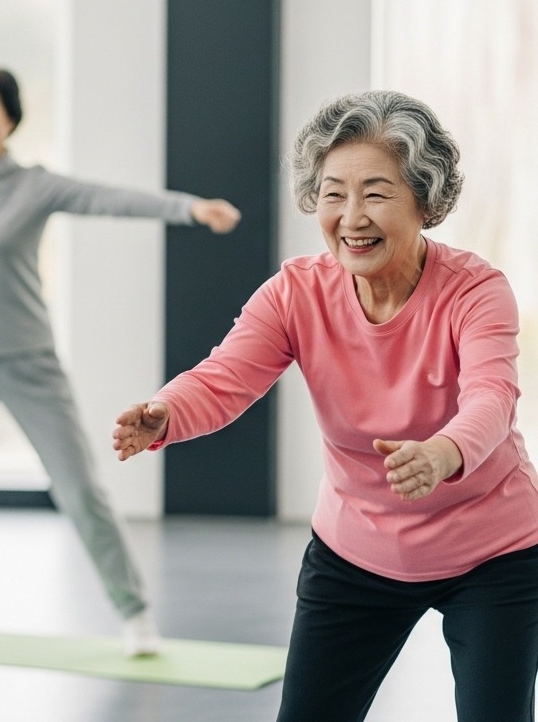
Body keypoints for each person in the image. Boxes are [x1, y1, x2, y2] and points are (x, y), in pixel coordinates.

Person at [113, 90, 538, 721]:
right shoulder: (296, 293)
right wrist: (166, 413)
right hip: (357, 552)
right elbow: (225, 376)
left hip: (493, 554)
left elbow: (491, 397)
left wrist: (443, 453)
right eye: (334, 193)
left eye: (375, 192)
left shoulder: (476, 291)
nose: (351, 216)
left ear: (424, 200)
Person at [0, 65, 241, 655]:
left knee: (79, 489)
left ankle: (135, 612)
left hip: (28, 363)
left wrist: (191, 209)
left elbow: (107, 199)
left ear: (9, 119)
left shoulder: (34, 185)